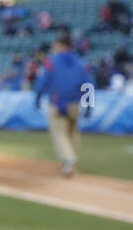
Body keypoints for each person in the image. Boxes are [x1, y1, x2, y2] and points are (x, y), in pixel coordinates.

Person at [34, 32, 93, 176]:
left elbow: (43, 82)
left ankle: (69, 159)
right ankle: (71, 163)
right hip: (75, 104)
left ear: (62, 46)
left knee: (60, 134)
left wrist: (38, 98)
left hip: (57, 103)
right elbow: (89, 85)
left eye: (55, 45)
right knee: (72, 134)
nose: (53, 48)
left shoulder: (51, 62)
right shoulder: (82, 62)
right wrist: (89, 105)